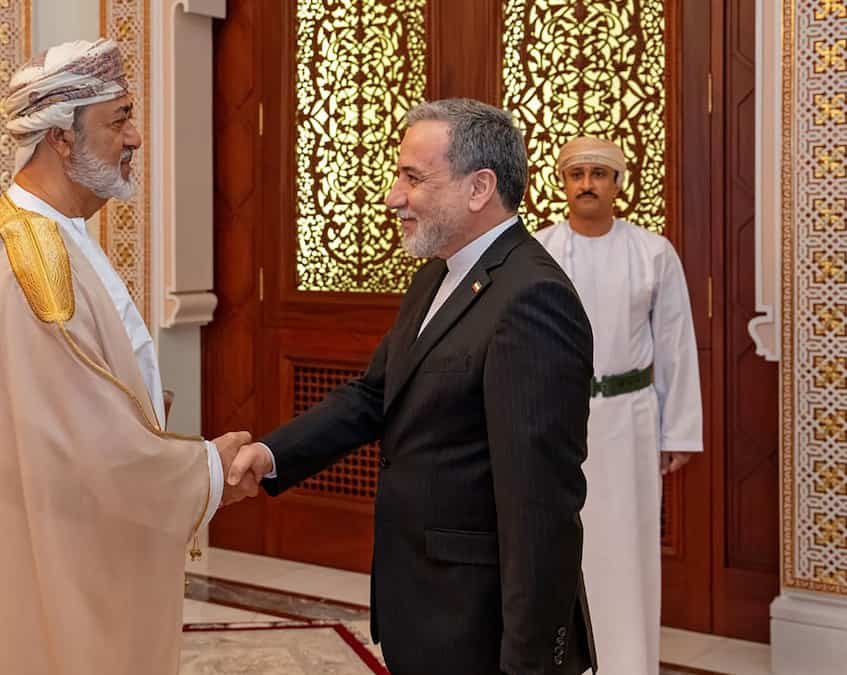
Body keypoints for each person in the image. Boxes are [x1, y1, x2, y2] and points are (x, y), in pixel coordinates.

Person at [229, 98, 597, 675]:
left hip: (478, 629)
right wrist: (272, 454)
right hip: (423, 611)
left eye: (413, 178)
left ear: (479, 188)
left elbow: (540, 509)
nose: (392, 196)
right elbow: (375, 394)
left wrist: (530, 666)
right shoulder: (439, 274)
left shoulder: (532, 298)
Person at [0, 39, 255, 675]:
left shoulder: (43, 229)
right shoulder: (35, 258)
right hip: (66, 548)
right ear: (62, 137)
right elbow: (87, 442)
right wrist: (207, 471)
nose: (135, 137)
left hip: (62, 526)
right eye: (119, 120)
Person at [533, 136, 704, 675]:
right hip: (558, 423)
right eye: (577, 173)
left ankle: (629, 664)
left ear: (618, 184)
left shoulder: (653, 253)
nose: (587, 184)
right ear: (563, 182)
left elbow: (675, 344)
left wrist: (678, 431)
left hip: (630, 422)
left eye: (599, 174)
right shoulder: (537, 252)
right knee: (561, 546)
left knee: (629, 550)